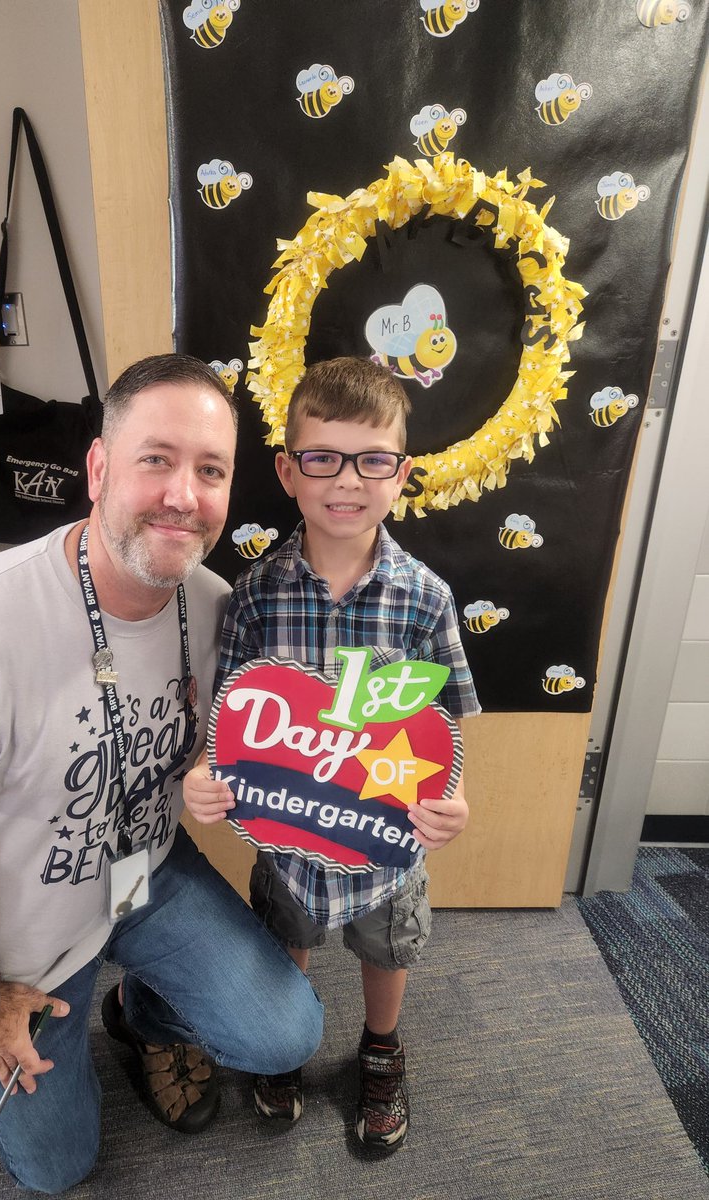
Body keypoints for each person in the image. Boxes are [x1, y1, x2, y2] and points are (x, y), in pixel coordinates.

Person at [0, 354, 323, 1195]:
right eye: (157, 459)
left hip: (139, 872)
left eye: (211, 470)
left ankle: (139, 1014)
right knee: (59, 1169)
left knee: (285, 1035)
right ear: (99, 469)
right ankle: (27, 1022)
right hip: (18, 939)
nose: (184, 495)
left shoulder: (222, 607)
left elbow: (241, 747)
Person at [184, 356, 480, 1153]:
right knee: (289, 934)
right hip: (290, 840)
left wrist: (447, 797)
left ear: (401, 474)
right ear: (288, 469)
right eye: (322, 458)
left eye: (372, 461)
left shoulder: (424, 598)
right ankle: (289, 1044)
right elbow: (230, 722)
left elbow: (445, 727)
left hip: (385, 842)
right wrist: (207, 777)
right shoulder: (254, 594)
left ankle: (381, 1049)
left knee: (389, 945)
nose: (346, 482)